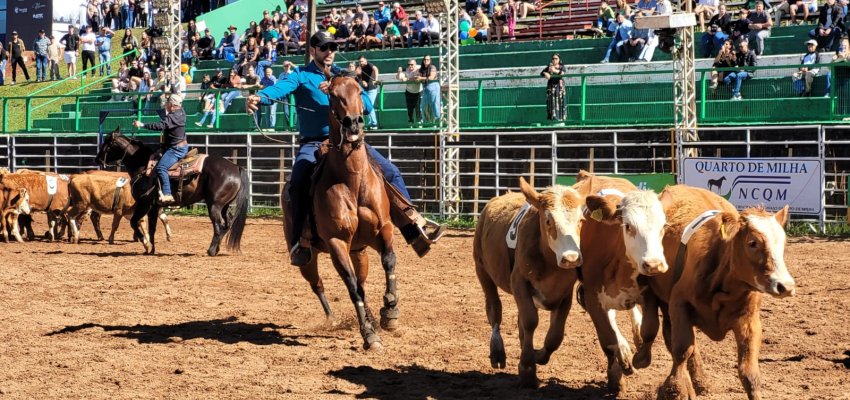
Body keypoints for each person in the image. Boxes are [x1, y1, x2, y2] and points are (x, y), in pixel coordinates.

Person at [245, 31, 446, 266]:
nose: (329, 52)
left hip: (350, 141)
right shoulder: (300, 75)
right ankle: (300, 241)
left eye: (332, 48)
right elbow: (279, 89)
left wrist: (339, 86)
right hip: (314, 143)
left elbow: (367, 106)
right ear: (313, 51)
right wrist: (259, 97)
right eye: (324, 48)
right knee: (297, 183)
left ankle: (413, 229)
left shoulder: (343, 76)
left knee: (391, 171)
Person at [132, 93, 187, 205]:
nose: (166, 105)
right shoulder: (182, 112)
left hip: (175, 149)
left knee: (161, 168)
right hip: (181, 145)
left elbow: (160, 126)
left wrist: (142, 125)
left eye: (167, 104)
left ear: (171, 105)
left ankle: (167, 193)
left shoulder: (172, 117)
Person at [541, 54, 567, 123]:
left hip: (559, 86)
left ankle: (560, 120)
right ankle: (553, 120)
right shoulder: (549, 67)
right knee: (551, 102)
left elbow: (563, 73)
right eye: (553, 58)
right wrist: (545, 73)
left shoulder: (561, 66)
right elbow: (541, 73)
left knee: (560, 101)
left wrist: (554, 70)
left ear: (559, 59)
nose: (554, 60)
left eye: (556, 58)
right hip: (551, 87)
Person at [397, 59, 423, 126]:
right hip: (409, 91)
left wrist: (407, 79)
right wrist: (399, 72)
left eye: (412, 64)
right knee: (409, 108)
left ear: (415, 64)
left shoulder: (419, 68)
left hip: (418, 91)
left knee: (418, 108)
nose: (410, 66)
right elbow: (398, 78)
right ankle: (411, 121)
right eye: (409, 64)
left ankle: (419, 122)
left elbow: (417, 78)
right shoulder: (406, 70)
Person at [417, 54, 441, 123]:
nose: (426, 61)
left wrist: (421, 78)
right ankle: (426, 122)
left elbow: (431, 77)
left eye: (428, 59)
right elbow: (418, 77)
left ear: (430, 61)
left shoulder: (432, 67)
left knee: (435, 104)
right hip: (425, 87)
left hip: (433, 86)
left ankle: (438, 122)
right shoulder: (421, 69)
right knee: (423, 105)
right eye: (425, 59)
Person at [358, 56, 380, 129]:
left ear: (365, 60)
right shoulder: (360, 67)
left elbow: (376, 69)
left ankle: (374, 123)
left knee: (369, 106)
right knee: (366, 106)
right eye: (360, 62)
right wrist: (362, 81)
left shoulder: (369, 64)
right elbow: (359, 77)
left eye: (362, 61)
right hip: (365, 90)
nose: (361, 63)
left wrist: (376, 79)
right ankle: (371, 123)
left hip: (372, 89)